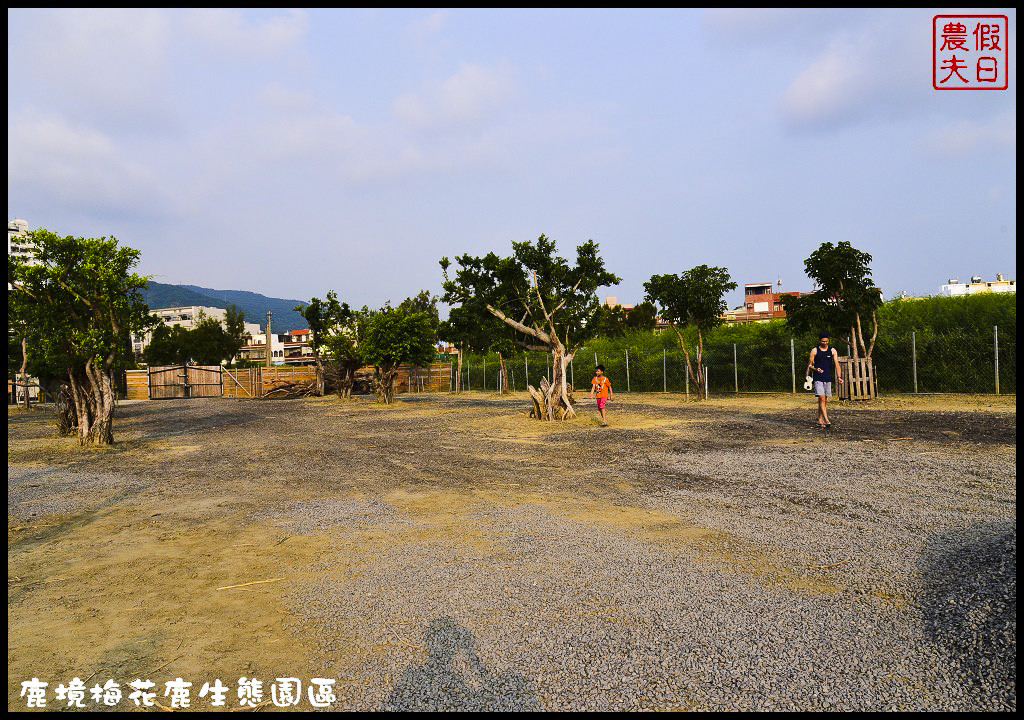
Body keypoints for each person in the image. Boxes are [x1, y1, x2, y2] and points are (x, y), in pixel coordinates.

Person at [807, 331, 843, 428]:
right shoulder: (814, 351)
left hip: (828, 377)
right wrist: (815, 369)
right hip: (818, 377)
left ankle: (819, 419)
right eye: (823, 341)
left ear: (828, 341)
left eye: (826, 341)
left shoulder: (833, 351)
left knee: (824, 400)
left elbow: (837, 365)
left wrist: (839, 377)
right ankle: (826, 419)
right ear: (819, 341)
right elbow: (810, 365)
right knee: (821, 398)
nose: (825, 343)